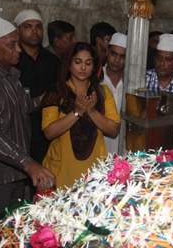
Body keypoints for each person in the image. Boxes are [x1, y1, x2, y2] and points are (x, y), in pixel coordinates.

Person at [0, 16, 54, 225]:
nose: (19, 50)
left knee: (11, 230)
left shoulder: (10, 74)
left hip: (15, 170)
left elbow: (23, 107)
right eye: (12, 45)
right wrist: (28, 163)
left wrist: (45, 99)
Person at [42, 42, 120, 188]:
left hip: (94, 169)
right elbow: (49, 132)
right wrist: (77, 112)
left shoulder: (102, 92)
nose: (83, 68)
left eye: (88, 63)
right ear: (69, 64)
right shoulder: (57, 91)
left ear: (94, 66)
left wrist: (91, 111)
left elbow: (113, 130)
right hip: (61, 169)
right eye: (78, 62)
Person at [14, 10, 59, 164]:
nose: (34, 31)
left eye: (38, 27)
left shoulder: (52, 60)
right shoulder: (13, 60)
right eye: (28, 26)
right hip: (19, 130)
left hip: (47, 130)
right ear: (18, 30)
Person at [102, 33, 126, 154]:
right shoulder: (96, 78)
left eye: (122, 56)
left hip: (123, 147)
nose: (117, 60)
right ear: (107, 52)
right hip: (99, 146)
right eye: (114, 54)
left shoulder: (131, 83)